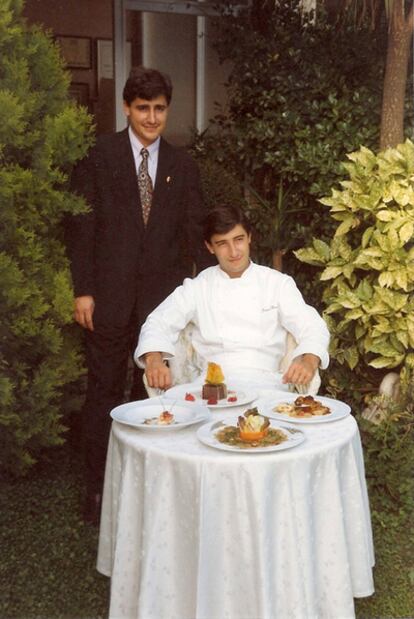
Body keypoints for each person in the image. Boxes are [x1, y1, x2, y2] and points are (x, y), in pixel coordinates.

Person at [65, 66, 210, 523]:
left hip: (159, 306)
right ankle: (98, 490)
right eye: (143, 108)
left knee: (153, 393)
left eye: (160, 109)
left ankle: (151, 485)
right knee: (104, 391)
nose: (152, 118)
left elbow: (194, 234)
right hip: (107, 300)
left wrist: (206, 295)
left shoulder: (182, 166)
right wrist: (83, 290)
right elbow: (81, 228)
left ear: (168, 110)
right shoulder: (98, 156)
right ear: (127, 108)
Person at [135, 206, 330, 392]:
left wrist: (309, 360)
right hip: (208, 388)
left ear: (249, 238)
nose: (234, 251)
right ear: (210, 247)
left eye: (238, 240)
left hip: (269, 386)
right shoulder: (197, 287)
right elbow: (158, 321)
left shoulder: (277, 283)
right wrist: (153, 359)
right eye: (222, 244)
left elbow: (312, 325)